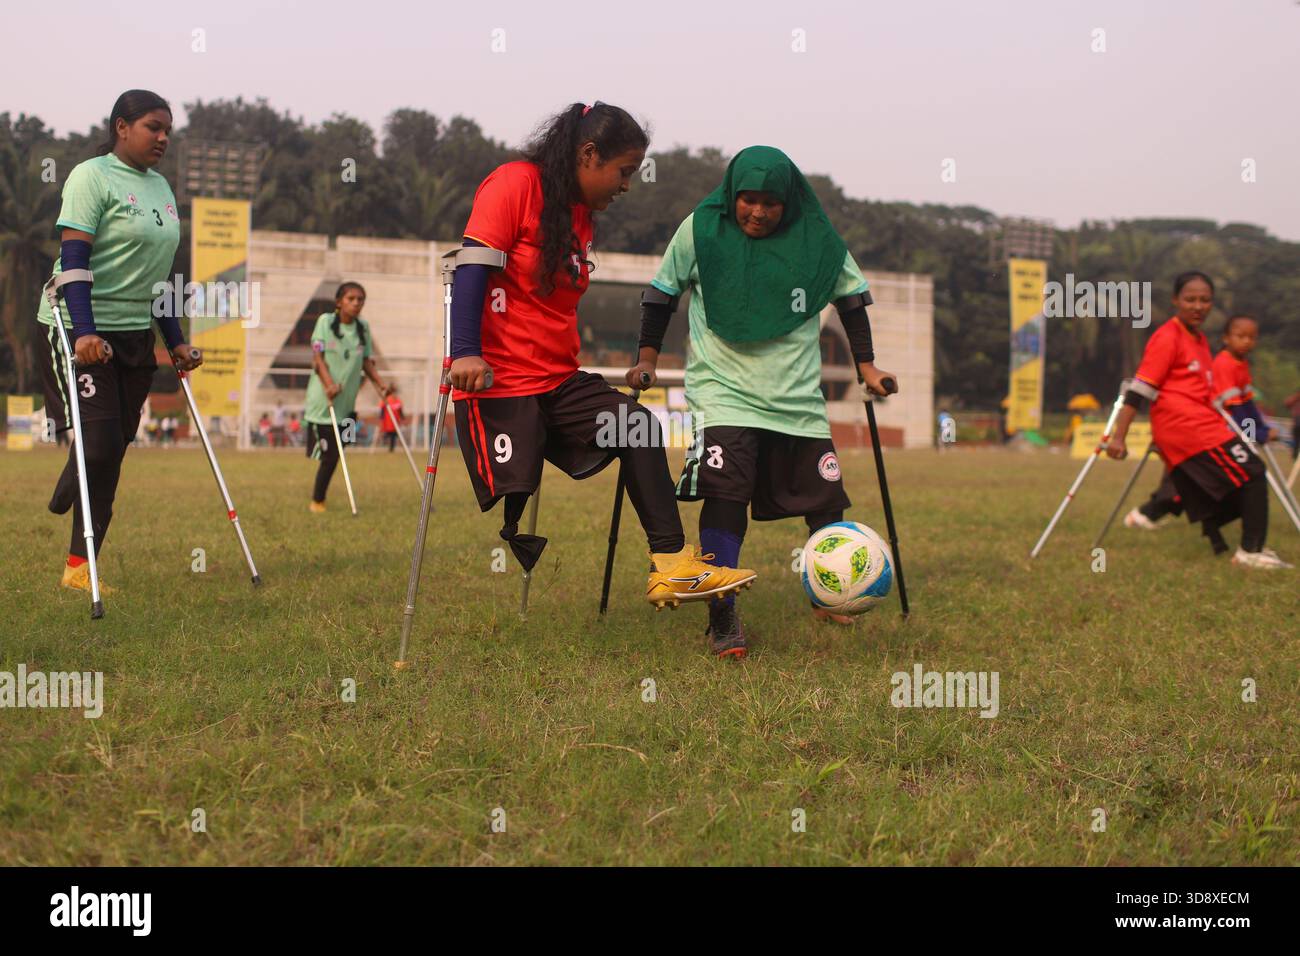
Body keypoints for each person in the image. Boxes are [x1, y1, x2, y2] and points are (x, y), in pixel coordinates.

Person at [447, 102, 756, 623]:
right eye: (625, 171)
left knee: (637, 426)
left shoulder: (580, 215)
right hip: (499, 382)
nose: (627, 185)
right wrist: (464, 353)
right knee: (519, 483)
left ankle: (671, 563)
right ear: (589, 155)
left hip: (558, 382)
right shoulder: (514, 183)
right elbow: (472, 266)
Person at [631, 145, 897, 656]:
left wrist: (867, 366)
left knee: (825, 504)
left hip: (796, 398)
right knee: (726, 498)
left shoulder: (816, 237)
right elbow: (661, 293)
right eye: (747, 199)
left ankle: (830, 593)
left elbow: (852, 298)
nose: (757, 211)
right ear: (732, 194)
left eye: (770, 202)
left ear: (789, 202)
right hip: (723, 392)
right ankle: (722, 613)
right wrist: (647, 358)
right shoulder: (700, 230)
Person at [36, 89, 199, 594]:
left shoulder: (163, 189)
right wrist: (84, 332)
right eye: (154, 126)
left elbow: (162, 274)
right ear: (122, 127)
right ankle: (75, 472)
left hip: (134, 334)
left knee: (116, 448)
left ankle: (79, 569)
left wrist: (175, 341)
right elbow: (75, 259)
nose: (164, 137)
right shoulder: (92, 176)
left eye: (168, 129)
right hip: (78, 324)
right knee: (101, 442)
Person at [1107, 272, 1289, 568]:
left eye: (1205, 300)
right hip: (1185, 428)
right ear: (1176, 300)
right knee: (1253, 472)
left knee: (1233, 488)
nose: (1198, 306)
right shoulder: (1167, 337)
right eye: (1190, 299)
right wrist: (1119, 437)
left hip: (1204, 424)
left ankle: (1228, 536)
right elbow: (1138, 390)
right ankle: (1250, 552)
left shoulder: (1201, 340)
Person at [303, 282, 392, 512]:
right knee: (331, 455)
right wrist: (329, 384)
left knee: (341, 450)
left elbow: (366, 362)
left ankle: (319, 496)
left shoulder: (363, 328)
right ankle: (317, 501)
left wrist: (381, 385)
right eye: (351, 298)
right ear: (339, 302)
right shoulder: (325, 322)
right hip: (324, 402)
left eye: (360, 299)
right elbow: (318, 359)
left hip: (348, 404)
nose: (356, 303)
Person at [379, 385, 403, 452]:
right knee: (388, 433)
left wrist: (402, 418)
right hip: (387, 421)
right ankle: (383, 443)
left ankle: (391, 448)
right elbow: (382, 410)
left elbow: (400, 410)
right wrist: (381, 419)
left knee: (393, 435)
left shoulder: (397, 400)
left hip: (395, 421)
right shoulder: (386, 400)